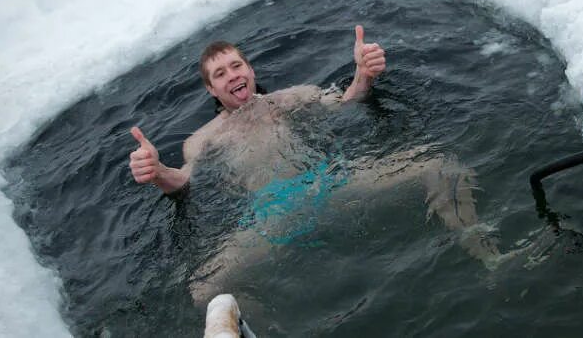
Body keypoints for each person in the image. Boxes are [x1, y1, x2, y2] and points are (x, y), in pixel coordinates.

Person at [128, 25, 503, 304]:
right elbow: (183, 181)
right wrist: (157, 172)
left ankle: (487, 254)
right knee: (203, 290)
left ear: (251, 69)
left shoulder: (293, 97)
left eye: (236, 65)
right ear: (211, 90)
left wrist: (364, 73)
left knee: (436, 164)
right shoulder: (203, 139)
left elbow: (348, 100)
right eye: (220, 74)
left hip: (330, 185)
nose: (233, 75)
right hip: (270, 217)